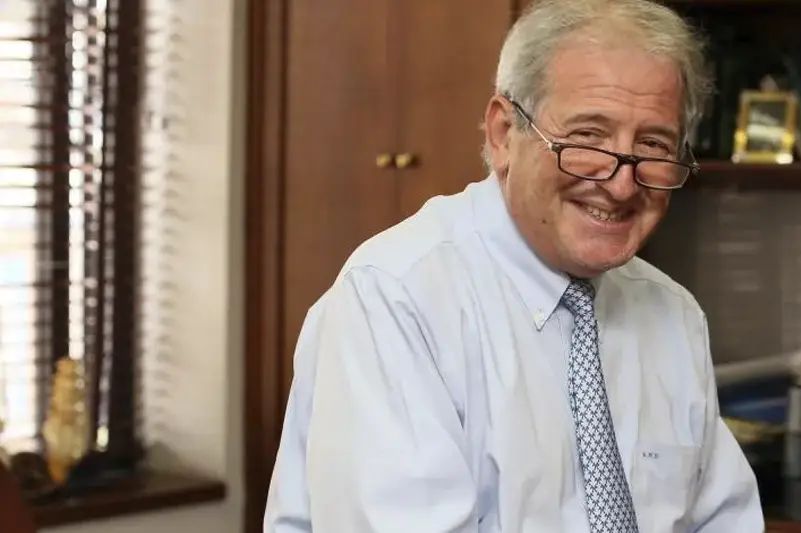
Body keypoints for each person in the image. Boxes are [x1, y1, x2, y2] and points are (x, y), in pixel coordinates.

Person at [261, 1, 764, 531]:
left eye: (653, 145)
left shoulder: (673, 314)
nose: (621, 185)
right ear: (503, 133)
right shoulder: (396, 299)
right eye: (587, 137)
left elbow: (723, 520)